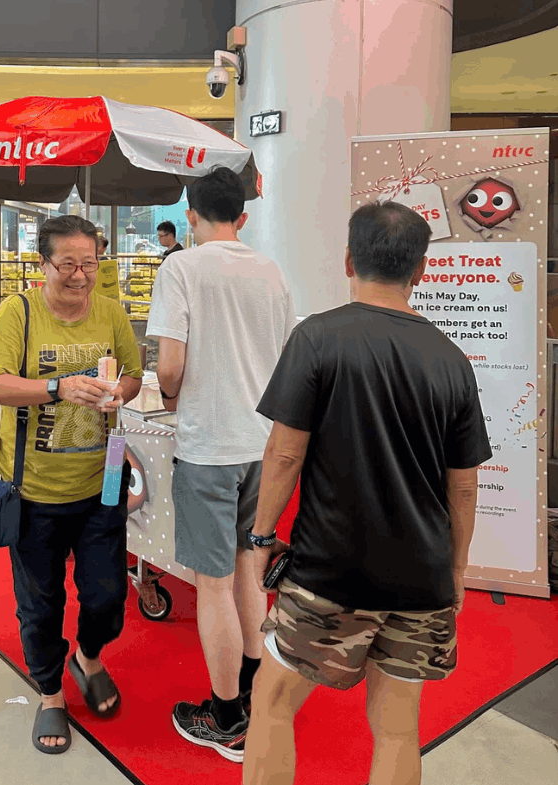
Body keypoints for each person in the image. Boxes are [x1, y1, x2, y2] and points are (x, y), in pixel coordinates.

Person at [243, 202, 487, 785]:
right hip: (422, 578)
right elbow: (465, 485)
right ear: (421, 271)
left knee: (273, 705)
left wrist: (260, 536)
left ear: (349, 260)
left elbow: (283, 454)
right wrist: (455, 572)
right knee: (399, 730)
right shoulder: (452, 361)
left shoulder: (318, 338)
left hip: (330, 574)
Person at [145, 167, 296, 762]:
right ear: (244, 215)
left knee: (213, 585)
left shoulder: (180, 267)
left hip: (207, 447)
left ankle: (228, 716)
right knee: (248, 572)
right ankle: (257, 689)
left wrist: (175, 395)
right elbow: (287, 362)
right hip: (262, 445)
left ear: (190, 214)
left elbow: (170, 369)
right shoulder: (271, 270)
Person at [0, 215, 143, 755]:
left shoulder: (112, 311)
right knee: (41, 601)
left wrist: (118, 390)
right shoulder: (17, 312)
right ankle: (50, 692)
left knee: (107, 596)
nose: (80, 275)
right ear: (43, 263)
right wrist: (57, 387)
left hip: (103, 483)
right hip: (33, 490)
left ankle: (89, 657)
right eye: (68, 264)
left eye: (90, 263)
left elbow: (133, 375)